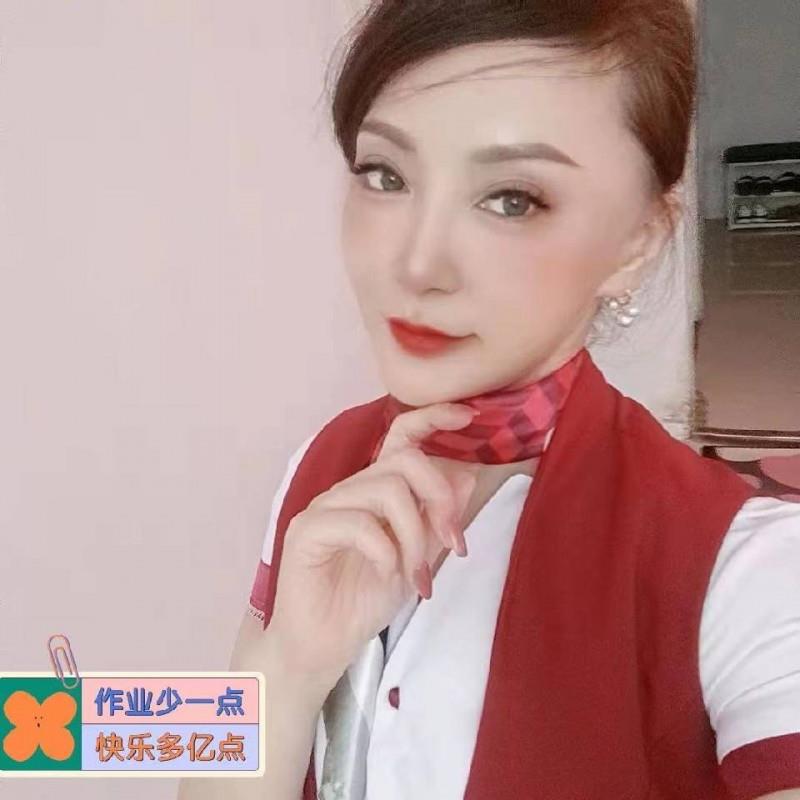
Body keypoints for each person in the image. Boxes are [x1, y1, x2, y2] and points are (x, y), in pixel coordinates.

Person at [178, 1, 800, 798]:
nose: (416, 264)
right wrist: (288, 669)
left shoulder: (743, 570)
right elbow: (129, 744)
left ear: (636, 243)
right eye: (385, 175)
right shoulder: (320, 471)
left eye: (512, 198)